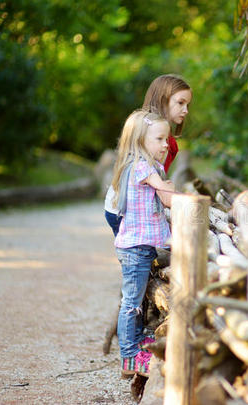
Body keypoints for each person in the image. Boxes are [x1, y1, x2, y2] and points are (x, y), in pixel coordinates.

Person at [111, 109, 175, 378]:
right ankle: (129, 358)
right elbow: (169, 198)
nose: (165, 145)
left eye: (166, 139)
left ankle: (137, 349)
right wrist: (173, 189)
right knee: (132, 303)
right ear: (140, 141)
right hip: (136, 248)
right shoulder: (142, 167)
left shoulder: (150, 166)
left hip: (141, 246)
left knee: (137, 301)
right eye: (160, 139)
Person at [104, 74, 192, 235]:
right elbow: (163, 193)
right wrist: (193, 203)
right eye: (180, 103)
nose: (185, 110)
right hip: (126, 210)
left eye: (187, 104)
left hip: (118, 206)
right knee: (139, 256)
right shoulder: (160, 143)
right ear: (163, 99)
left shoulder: (145, 130)